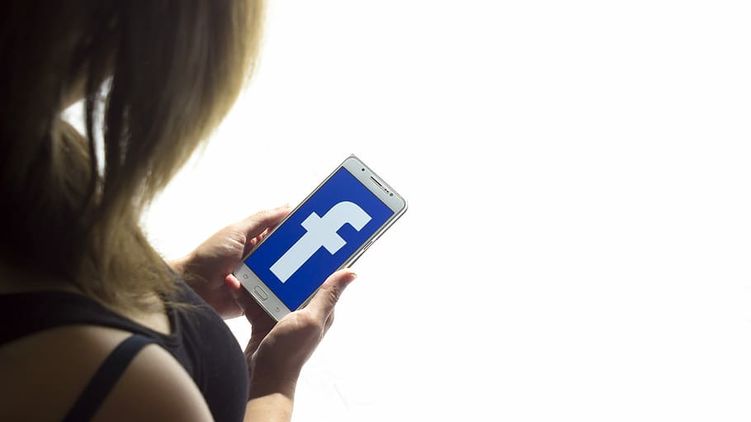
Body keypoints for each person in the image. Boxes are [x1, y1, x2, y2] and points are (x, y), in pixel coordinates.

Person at [0, 1, 355, 421]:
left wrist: (174, 282)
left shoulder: (34, 153)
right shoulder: (123, 385)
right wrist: (275, 378)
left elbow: (52, 293)